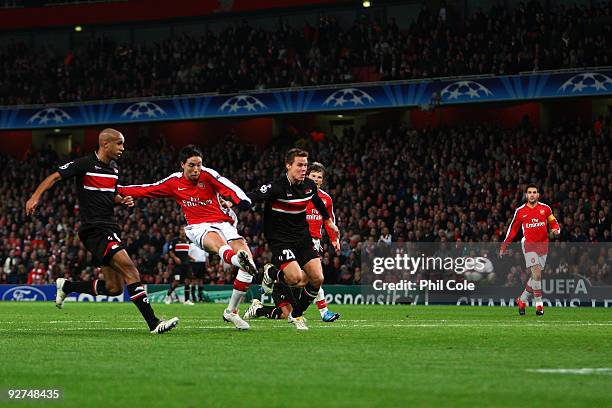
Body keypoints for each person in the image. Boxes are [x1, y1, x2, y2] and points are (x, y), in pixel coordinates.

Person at [25, 128, 179, 334]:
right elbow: (54, 177)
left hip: (107, 226)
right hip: (95, 228)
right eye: (119, 143)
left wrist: (121, 199)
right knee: (131, 271)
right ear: (105, 144)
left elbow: (109, 194)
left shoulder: (114, 169)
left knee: (113, 288)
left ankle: (67, 287)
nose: (123, 148)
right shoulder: (84, 164)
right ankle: (153, 322)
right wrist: (35, 196)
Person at [118, 145, 257, 330]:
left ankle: (231, 311)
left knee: (250, 267)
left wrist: (243, 201)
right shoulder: (174, 182)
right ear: (182, 164)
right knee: (218, 243)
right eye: (191, 165)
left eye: (199, 165)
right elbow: (148, 189)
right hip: (198, 226)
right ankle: (235, 259)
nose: (196, 170)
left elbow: (229, 187)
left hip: (225, 223)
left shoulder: (208, 175)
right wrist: (118, 189)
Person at [238, 148, 339, 330]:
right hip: (280, 239)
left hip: (302, 237)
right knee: (294, 278)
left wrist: (329, 222)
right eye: (299, 165)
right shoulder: (277, 187)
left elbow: (316, 200)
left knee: (317, 278)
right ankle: (272, 275)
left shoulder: (308, 185)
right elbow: (253, 196)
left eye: (305, 165)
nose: (303, 169)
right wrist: (232, 202)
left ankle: (296, 314)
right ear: (288, 166)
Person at [499, 184, 560, 316]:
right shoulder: (520, 211)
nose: (532, 194)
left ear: (538, 195)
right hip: (528, 245)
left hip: (543, 245)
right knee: (537, 274)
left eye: (534, 192)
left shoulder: (545, 209)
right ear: (526, 195)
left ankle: (522, 300)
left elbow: (553, 221)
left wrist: (556, 229)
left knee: (535, 277)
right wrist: (505, 245)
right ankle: (539, 306)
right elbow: (513, 229)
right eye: (529, 192)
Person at [305, 162, 340, 322]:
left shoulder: (326, 199)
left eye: (319, 177)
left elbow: (329, 220)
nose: (317, 179)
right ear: (307, 176)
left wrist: (334, 239)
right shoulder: (298, 194)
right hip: (296, 238)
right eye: (313, 176)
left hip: (314, 241)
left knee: (313, 276)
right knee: (304, 277)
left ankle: (324, 312)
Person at [165, 228, 195, 305]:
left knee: (187, 281)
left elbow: (185, 253)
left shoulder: (187, 241)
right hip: (178, 265)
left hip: (186, 264)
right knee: (176, 282)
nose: (183, 232)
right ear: (179, 231)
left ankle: (186, 300)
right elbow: (170, 251)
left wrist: (191, 258)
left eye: (184, 230)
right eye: (182, 230)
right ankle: (167, 296)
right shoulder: (175, 240)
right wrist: (175, 258)